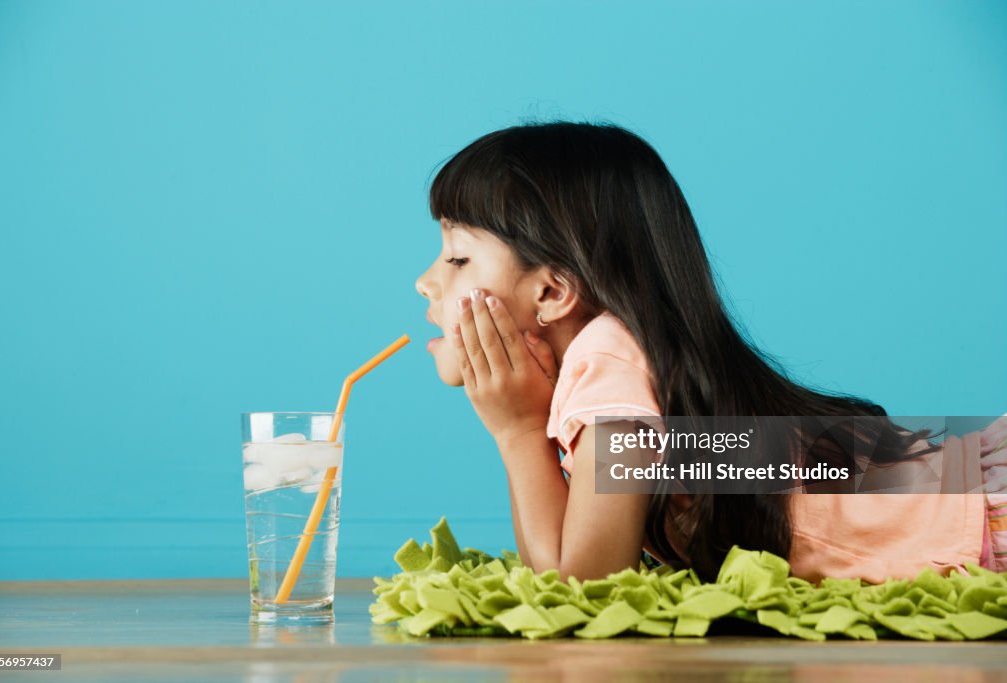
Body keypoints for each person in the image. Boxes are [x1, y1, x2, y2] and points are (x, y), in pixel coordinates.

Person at [414, 121, 1006, 583]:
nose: (426, 281)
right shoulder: (626, 357)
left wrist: (518, 433)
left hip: (981, 522)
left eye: (457, 257)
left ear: (551, 291)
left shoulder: (607, 361)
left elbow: (578, 588)